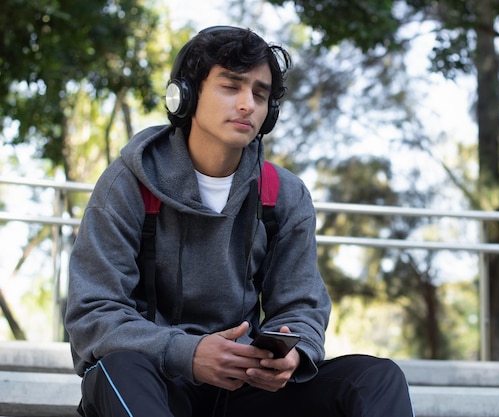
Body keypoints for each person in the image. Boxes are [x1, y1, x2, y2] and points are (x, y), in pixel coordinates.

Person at [65, 25, 414, 417]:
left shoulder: (284, 194)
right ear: (186, 95)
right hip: (154, 383)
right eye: (231, 86)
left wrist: (292, 353)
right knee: (119, 368)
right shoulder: (127, 183)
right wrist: (188, 352)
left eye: (260, 94)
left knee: (376, 378)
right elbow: (92, 313)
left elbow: (301, 305)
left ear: (270, 114)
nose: (247, 103)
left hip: (242, 388)